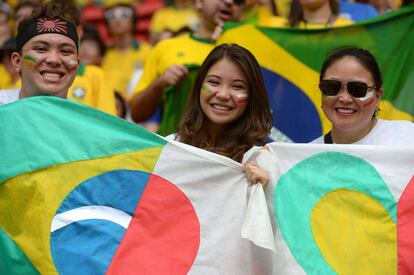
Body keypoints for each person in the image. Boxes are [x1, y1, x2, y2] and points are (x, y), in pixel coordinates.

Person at [129, 0, 246, 135]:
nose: (229, 2)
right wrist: (159, 83)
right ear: (199, 3)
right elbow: (136, 114)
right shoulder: (166, 48)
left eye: (239, 1)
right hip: (174, 150)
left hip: (228, 152)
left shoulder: (253, 54)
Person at [173, 43, 273, 185]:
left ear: (252, 97)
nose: (223, 94)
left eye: (237, 86)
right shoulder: (171, 147)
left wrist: (266, 189)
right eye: (214, 82)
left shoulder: (265, 159)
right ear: (198, 87)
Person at [312, 46, 414, 145]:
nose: (344, 98)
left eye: (358, 89)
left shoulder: (407, 137)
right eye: (332, 87)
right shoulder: (307, 158)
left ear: (378, 96)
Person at [0, 2, 79, 106]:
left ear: (77, 64)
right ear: (17, 61)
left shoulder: (85, 119)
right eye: (41, 49)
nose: (53, 59)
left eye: (65, 51)